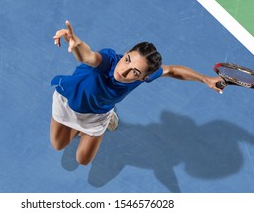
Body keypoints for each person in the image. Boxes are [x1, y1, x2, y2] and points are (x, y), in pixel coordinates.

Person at [50, 20, 223, 165]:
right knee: (59, 145)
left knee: (83, 160)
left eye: (135, 72)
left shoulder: (146, 76)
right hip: (68, 101)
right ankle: (83, 126)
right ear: (125, 53)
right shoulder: (108, 61)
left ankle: (104, 119)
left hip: (97, 114)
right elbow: (87, 56)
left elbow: (171, 70)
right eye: (127, 60)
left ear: (143, 78)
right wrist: (76, 42)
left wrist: (204, 79)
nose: (124, 71)